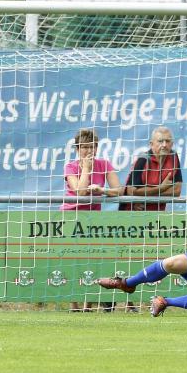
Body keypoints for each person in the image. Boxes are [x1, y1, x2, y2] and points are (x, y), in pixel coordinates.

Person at [61, 128, 122, 311]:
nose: (89, 151)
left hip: (93, 219)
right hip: (71, 217)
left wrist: (102, 190)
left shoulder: (104, 164)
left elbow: (119, 190)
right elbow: (79, 192)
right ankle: (74, 304)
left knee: (92, 259)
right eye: (85, 147)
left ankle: (88, 304)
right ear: (77, 149)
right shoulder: (70, 167)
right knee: (73, 261)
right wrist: (86, 169)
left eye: (92, 147)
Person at [119, 126, 183, 211]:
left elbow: (177, 191)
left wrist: (144, 194)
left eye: (167, 141)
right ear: (151, 144)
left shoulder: (174, 157)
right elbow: (131, 191)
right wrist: (161, 188)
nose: (164, 145)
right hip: (133, 212)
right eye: (160, 141)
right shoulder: (143, 160)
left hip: (158, 214)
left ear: (172, 144)